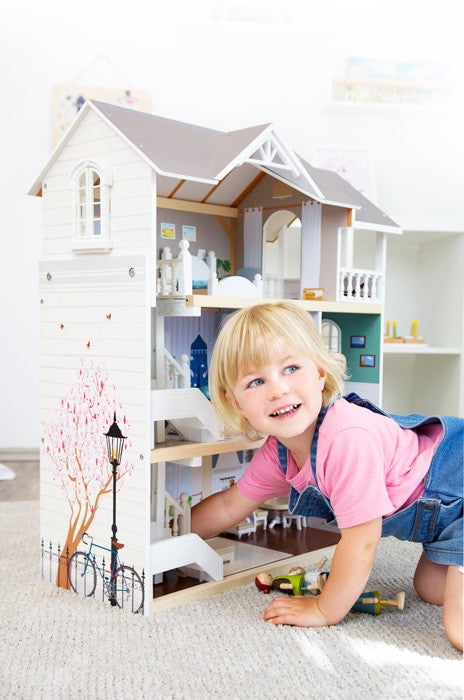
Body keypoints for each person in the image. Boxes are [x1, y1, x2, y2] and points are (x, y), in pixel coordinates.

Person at [191, 301, 463, 651]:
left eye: (290, 368)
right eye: (256, 381)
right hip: (446, 521)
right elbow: (230, 505)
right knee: (431, 588)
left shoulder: (347, 438)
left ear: (319, 373)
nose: (277, 389)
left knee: (458, 631)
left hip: (456, 481)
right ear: (237, 403)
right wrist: (169, 539)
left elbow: (362, 539)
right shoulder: (279, 451)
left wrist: (324, 609)